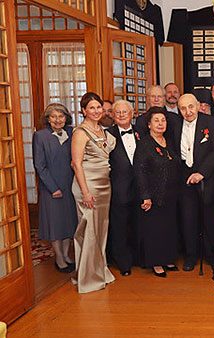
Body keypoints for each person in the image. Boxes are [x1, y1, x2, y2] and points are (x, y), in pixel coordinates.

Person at [71, 92, 116, 293]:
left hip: (104, 185)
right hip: (86, 185)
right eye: (92, 108)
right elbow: (76, 164)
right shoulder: (80, 133)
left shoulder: (103, 131)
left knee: (100, 230)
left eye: (99, 107)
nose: (96, 111)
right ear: (84, 111)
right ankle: (87, 278)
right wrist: (85, 192)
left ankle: (99, 270)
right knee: (88, 231)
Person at [173, 93, 214, 271]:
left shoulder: (210, 123)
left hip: (206, 176)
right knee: (188, 218)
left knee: (208, 216)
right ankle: (190, 255)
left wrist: (202, 173)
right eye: (183, 108)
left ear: (198, 105)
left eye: (191, 107)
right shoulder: (175, 124)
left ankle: (210, 254)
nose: (188, 112)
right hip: (183, 177)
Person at [133, 107, 181, 277]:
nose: (160, 124)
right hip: (154, 196)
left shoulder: (169, 141)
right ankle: (156, 262)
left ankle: (168, 258)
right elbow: (139, 171)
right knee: (155, 230)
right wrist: (145, 196)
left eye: (163, 120)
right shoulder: (144, 144)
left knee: (169, 228)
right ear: (149, 124)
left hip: (171, 195)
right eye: (156, 121)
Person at [33, 103, 78, 273]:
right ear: (48, 119)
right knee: (55, 225)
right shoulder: (40, 136)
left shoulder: (72, 133)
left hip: (70, 186)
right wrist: (53, 188)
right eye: (53, 116)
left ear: (66, 117)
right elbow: (40, 166)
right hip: (51, 189)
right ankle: (59, 258)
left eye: (61, 116)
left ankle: (66, 255)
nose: (58, 120)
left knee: (68, 223)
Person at [107, 100, 139, 276]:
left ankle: (138, 258)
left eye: (124, 112)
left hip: (140, 188)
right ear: (112, 115)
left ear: (132, 113)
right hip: (119, 188)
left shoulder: (141, 132)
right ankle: (123, 263)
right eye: (117, 112)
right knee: (120, 227)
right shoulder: (108, 135)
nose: (121, 115)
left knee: (137, 225)